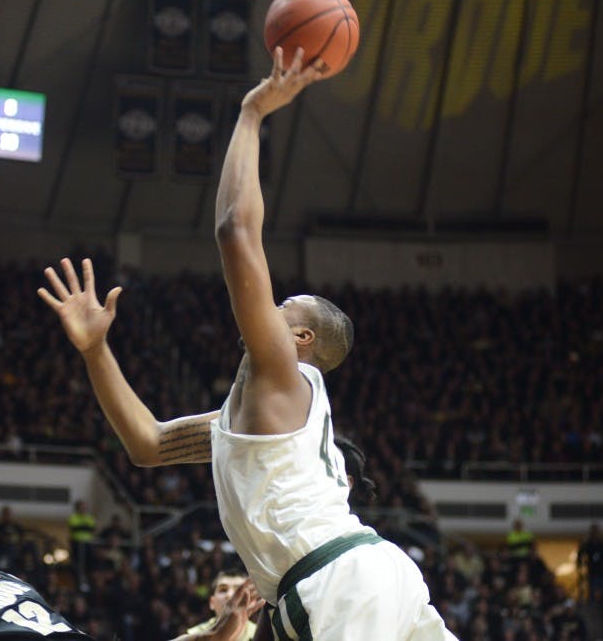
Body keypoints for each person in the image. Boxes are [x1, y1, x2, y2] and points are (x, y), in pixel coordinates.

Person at [38, 47, 455, 640]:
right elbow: (148, 445)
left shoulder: (283, 375)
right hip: (373, 574)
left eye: (283, 308)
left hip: (335, 583)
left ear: (301, 339)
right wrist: (93, 349)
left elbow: (235, 229)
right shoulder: (258, 419)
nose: (270, 305)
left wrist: (253, 113)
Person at [184, 571, 257, 641]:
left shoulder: (262, 634)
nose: (229, 595)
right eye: (223, 590)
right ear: (212, 602)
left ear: (252, 601)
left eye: (238, 590)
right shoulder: (194, 634)